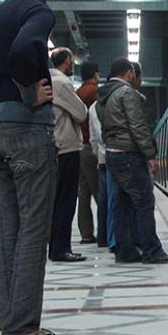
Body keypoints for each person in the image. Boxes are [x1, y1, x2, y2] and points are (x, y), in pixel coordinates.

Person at [0, 0, 69, 335]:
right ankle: (23, 327)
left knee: (9, 228)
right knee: (34, 227)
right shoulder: (39, 10)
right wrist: (29, 90)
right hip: (26, 131)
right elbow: (21, 50)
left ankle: (11, 321)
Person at [97, 59, 168, 264]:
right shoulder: (126, 93)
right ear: (130, 72)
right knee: (144, 202)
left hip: (112, 153)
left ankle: (125, 251)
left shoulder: (102, 96)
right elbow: (137, 126)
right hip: (129, 154)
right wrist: (150, 155)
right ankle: (152, 251)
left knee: (120, 204)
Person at [48, 47, 88, 262]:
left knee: (57, 200)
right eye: (72, 60)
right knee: (66, 200)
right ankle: (60, 249)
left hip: (56, 147)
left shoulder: (48, 80)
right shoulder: (61, 83)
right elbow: (81, 113)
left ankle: (57, 247)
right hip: (66, 147)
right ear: (67, 61)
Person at [76, 61, 100, 245]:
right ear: (95, 74)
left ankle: (86, 234)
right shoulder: (94, 92)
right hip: (90, 147)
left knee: (83, 193)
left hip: (78, 147)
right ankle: (107, 232)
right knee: (100, 191)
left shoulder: (77, 93)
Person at [88, 99, 110, 248]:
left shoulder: (93, 107)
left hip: (102, 159)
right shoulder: (117, 100)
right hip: (117, 155)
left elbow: (93, 139)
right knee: (118, 199)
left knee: (103, 199)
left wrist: (99, 155)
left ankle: (103, 237)